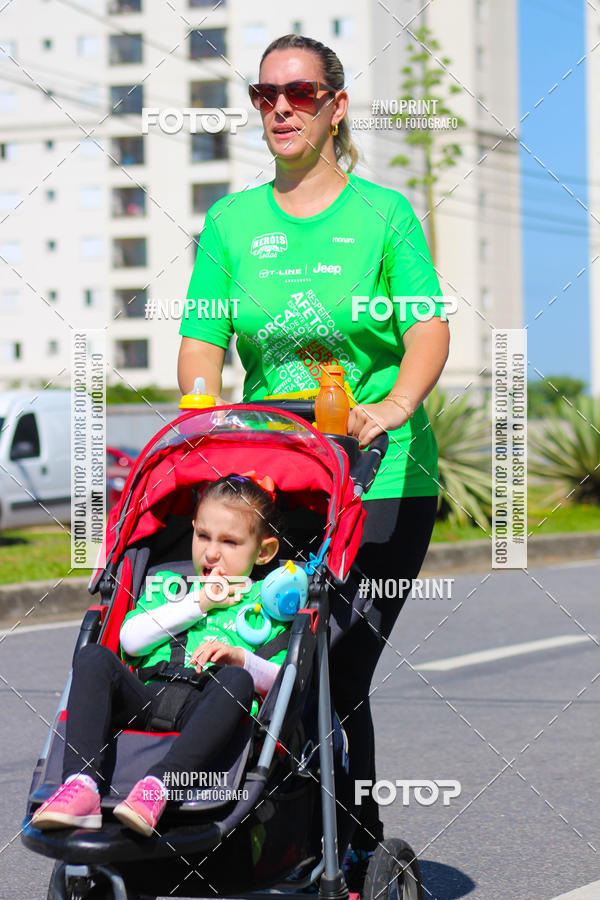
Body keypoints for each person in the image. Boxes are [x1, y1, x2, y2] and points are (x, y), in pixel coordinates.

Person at [177, 33, 450, 886]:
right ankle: (258, 821)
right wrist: (199, 422)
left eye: (299, 92)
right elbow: (201, 341)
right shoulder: (230, 221)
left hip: (382, 478)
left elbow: (428, 325)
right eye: (265, 94)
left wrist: (394, 405)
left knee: (333, 661)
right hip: (278, 480)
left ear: (334, 106)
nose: (281, 107)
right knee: (258, 651)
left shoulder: (384, 214)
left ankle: (350, 834)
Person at [32, 474, 287, 837]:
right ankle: (81, 784)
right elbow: (132, 641)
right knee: (93, 659)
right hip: (148, 697)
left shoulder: (270, 603)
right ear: (193, 529)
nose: (211, 553)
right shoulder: (170, 588)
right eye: (203, 537)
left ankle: (158, 787)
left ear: (263, 552)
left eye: (230, 542)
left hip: (209, 711)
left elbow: (283, 679)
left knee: (236, 681)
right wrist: (196, 603)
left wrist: (238, 658)